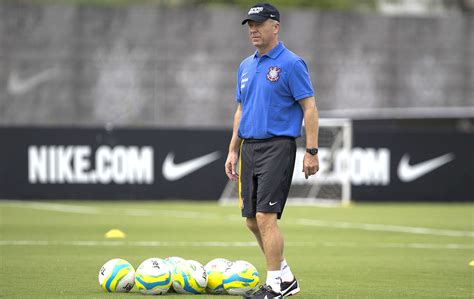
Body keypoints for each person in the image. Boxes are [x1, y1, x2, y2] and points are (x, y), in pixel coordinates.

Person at [224, 3, 320, 299]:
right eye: (250, 24)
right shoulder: (245, 65)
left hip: (278, 146)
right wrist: (232, 151)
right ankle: (286, 277)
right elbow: (241, 110)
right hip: (249, 148)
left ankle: (275, 287)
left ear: (275, 27)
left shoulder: (291, 64)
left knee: (266, 217)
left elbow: (310, 107)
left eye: (259, 23)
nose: (253, 29)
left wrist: (312, 150)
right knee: (251, 221)